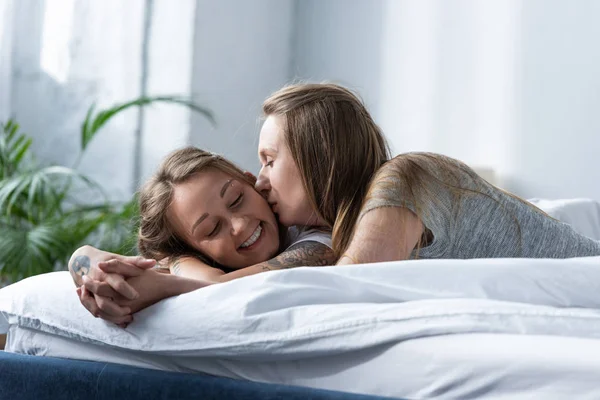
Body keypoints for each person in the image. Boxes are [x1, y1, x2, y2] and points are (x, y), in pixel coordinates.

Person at [77, 82, 600, 325]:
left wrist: (165, 282)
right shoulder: (333, 235)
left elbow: (339, 293)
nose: (260, 183)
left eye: (267, 161)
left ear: (316, 153)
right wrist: (150, 266)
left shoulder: (404, 178)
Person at [69, 147, 335, 326]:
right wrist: (87, 263)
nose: (240, 225)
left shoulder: (315, 231)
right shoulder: (185, 260)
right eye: (212, 230)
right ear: (193, 250)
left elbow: (218, 285)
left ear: (251, 181)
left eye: (237, 199)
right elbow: (88, 259)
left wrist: (164, 285)